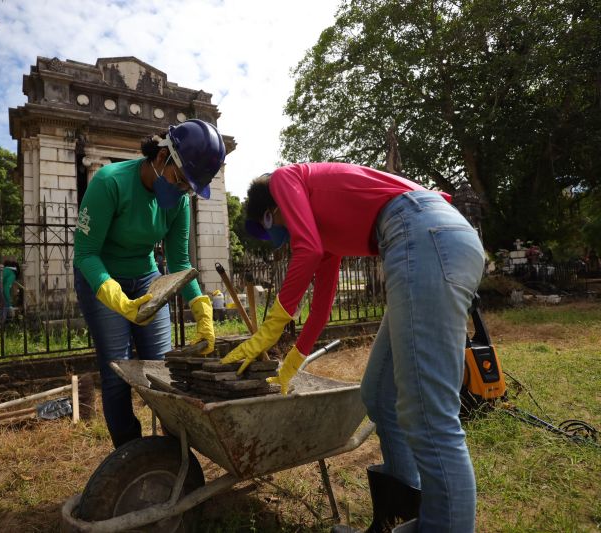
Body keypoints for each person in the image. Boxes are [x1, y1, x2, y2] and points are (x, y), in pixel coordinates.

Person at [223, 163, 484, 533]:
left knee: (429, 414)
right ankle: (397, 514)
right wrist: (289, 365)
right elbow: (321, 308)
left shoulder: (284, 179)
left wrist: (268, 331)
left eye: (269, 226)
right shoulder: (326, 233)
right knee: (379, 394)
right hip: (429, 237)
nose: (276, 236)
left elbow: (307, 250)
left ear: (272, 210)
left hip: (424, 235)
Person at [73, 119, 225, 448]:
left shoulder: (179, 201)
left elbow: (180, 262)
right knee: (118, 372)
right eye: (180, 180)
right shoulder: (109, 182)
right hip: (101, 278)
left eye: (189, 187)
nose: (183, 190)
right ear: (161, 157)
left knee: (163, 370)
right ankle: (132, 456)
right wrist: (116, 298)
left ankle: (173, 451)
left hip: (146, 277)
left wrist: (200, 306)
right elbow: (85, 253)